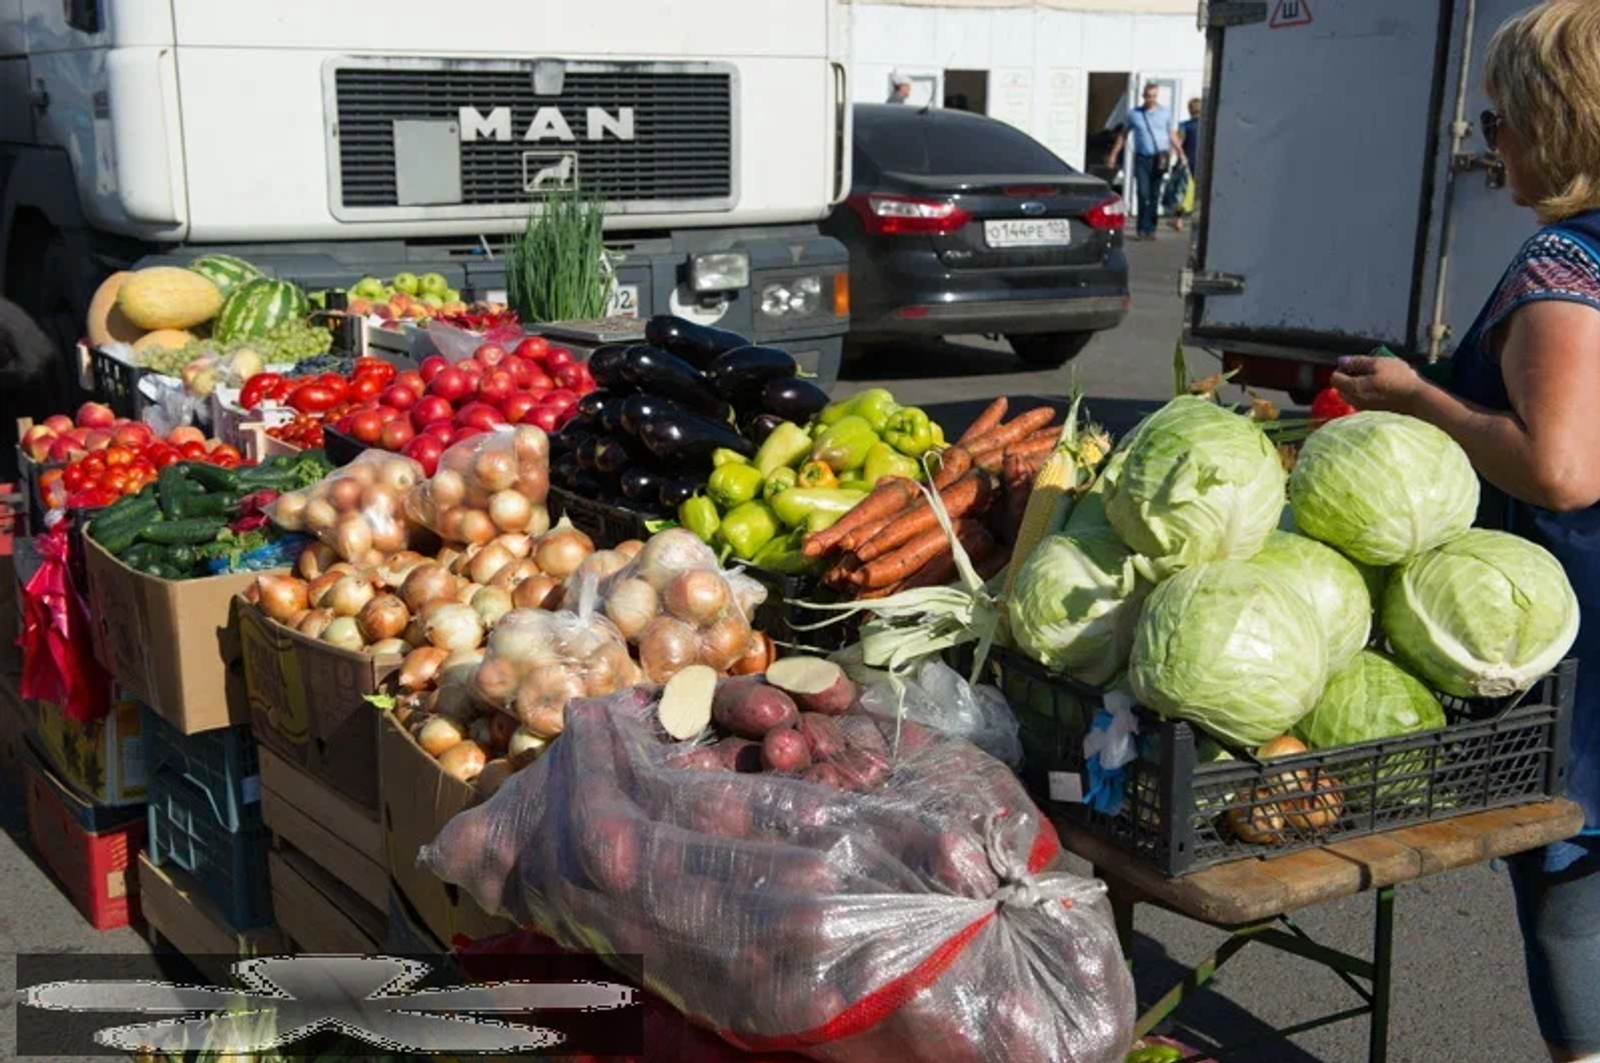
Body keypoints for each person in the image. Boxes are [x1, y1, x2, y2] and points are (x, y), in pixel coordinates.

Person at [1330, 6, 1600, 1060]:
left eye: (1499, 124)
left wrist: (1412, 399)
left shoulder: (1562, 266)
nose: (1491, 150)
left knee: (1569, 894)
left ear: (1555, 120)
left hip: (1580, 634)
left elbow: (1561, 470)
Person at [1107, 82, 1187, 240]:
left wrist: (1180, 153)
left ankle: (1151, 229)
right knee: (1143, 193)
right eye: (1149, 96)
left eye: (1154, 96)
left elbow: (1171, 134)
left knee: (1154, 194)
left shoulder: (1165, 113)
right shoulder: (1134, 114)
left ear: (1157, 96)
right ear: (1143, 96)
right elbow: (1124, 135)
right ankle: (1141, 229)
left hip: (1160, 158)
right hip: (1142, 157)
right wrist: (1114, 154)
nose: (1151, 99)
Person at [1171, 98, 1203, 232]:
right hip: (1200, 161)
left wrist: (1177, 158)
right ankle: (1198, 218)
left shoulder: (1184, 125)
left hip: (1186, 161)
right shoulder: (1205, 125)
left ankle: (1179, 219)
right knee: (1200, 192)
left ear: (1189, 109)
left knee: (1182, 191)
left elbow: (1179, 142)